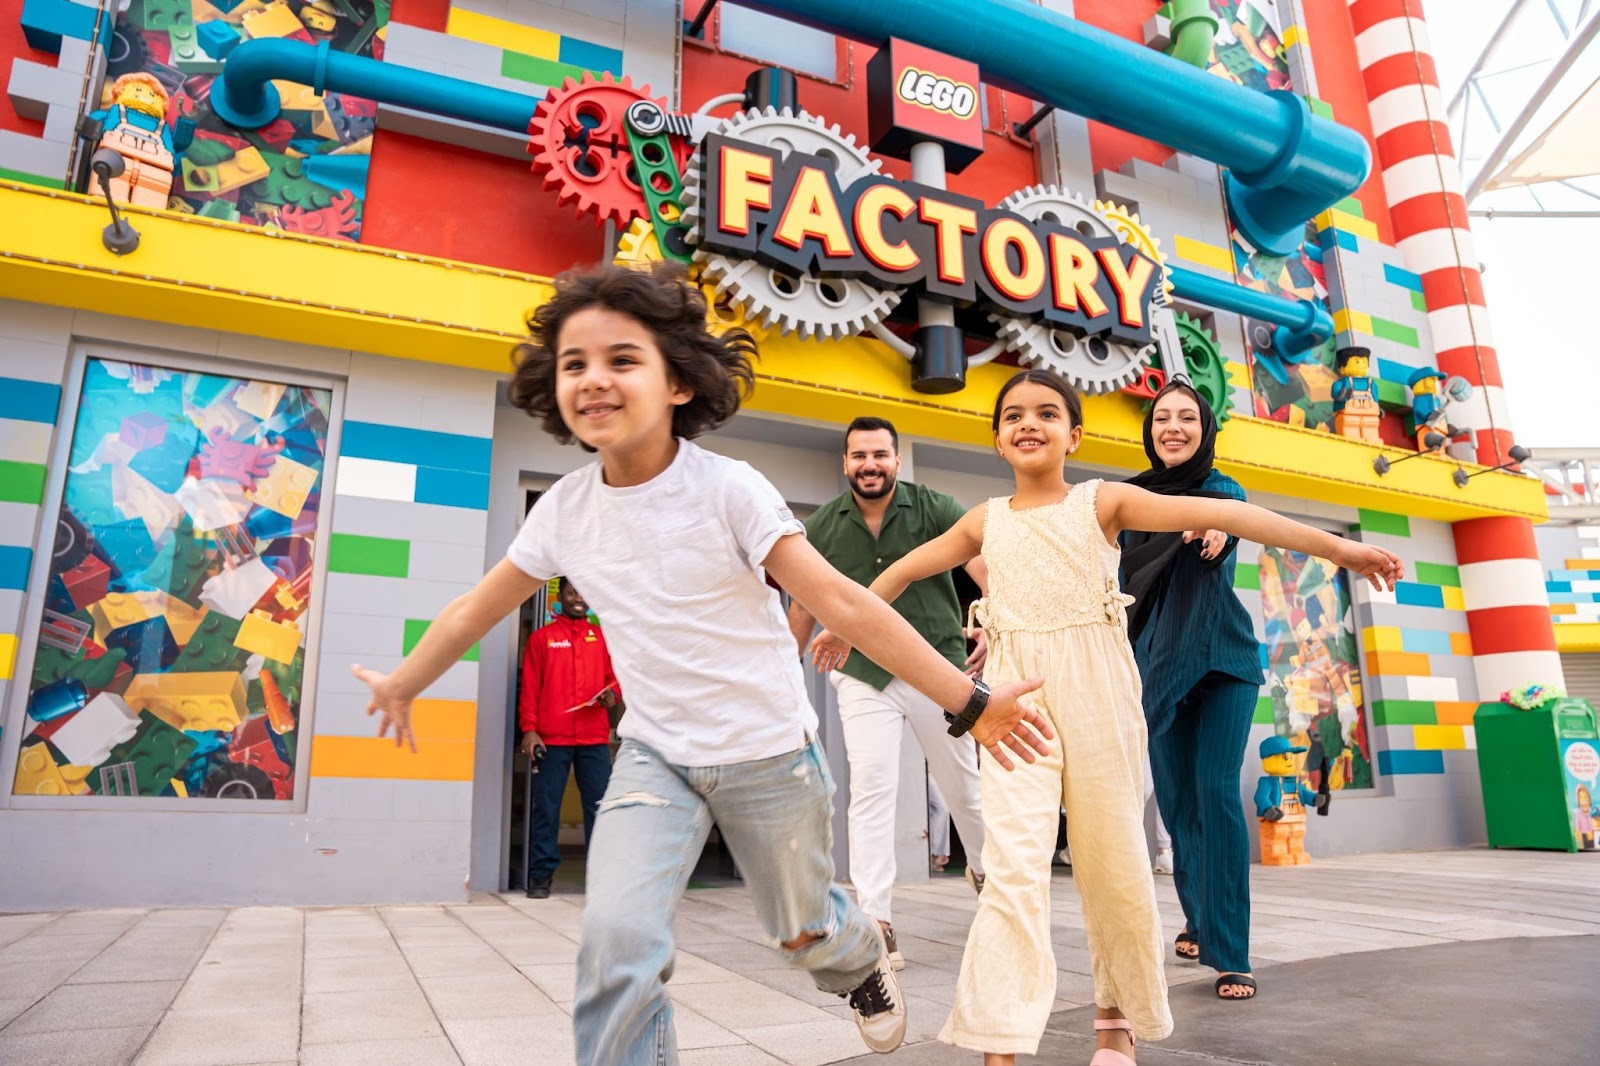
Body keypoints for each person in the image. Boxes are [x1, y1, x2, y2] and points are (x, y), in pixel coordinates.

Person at [349, 262, 1052, 1065]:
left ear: (679, 382)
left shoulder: (730, 490)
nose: (593, 379)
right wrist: (406, 680)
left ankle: (857, 961)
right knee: (614, 943)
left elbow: (847, 604)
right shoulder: (566, 511)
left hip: (770, 756)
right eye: (574, 363)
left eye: (622, 359)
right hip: (657, 758)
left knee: (804, 931)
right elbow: (477, 607)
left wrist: (971, 701)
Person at [811, 368, 1402, 1065]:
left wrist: (1341, 549)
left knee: (1112, 859)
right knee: (1013, 868)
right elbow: (903, 571)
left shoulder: (1107, 501)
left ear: (1074, 433)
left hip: (1098, 690)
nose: (1029, 423)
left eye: (1046, 413)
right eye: (1014, 416)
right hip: (1014, 701)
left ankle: (1114, 1016)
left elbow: (1233, 515)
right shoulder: (983, 520)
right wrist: (849, 626)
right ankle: (1000, 1034)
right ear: (998, 438)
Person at [790, 416, 989, 968]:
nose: (869, 465)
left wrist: (992, 623)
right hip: (862, 673)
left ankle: (988, 877)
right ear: (846, 462)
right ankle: (877, 920)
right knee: (872, 787)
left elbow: (984, 569)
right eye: (859, 456)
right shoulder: (824, 526)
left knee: (963, 789)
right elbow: (803, 606)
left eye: (880, 455)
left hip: (938, 668)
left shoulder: (934, 507)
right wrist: (782, 676)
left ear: (896, 460)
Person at [1119, 381, 1268, 999]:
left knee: (1215, 792)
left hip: (1225, 662)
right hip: (1159, 668)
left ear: (1205, 429)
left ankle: (1230, 953)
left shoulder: (1220, 488)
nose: (1173, 427)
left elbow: (1226, 517)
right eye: (1162, 418)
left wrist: (1218, 533)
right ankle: (1199, 919)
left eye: (1187, 417)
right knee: (1178, 806)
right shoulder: (1129, 498)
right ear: (1150, 430)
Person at [519, 576, 621, 900]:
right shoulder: (542, 639)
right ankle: (540, 875)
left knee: (600, 808)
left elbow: (615, 680)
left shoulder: (602, 638)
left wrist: (612, 695)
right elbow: (530, 688)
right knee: (546, 808)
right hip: (552, 739)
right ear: (560, 597)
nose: (578, 598)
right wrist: (529, 729)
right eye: (572, 592)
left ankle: (602, 879)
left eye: (583, 592)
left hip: (593, 738)